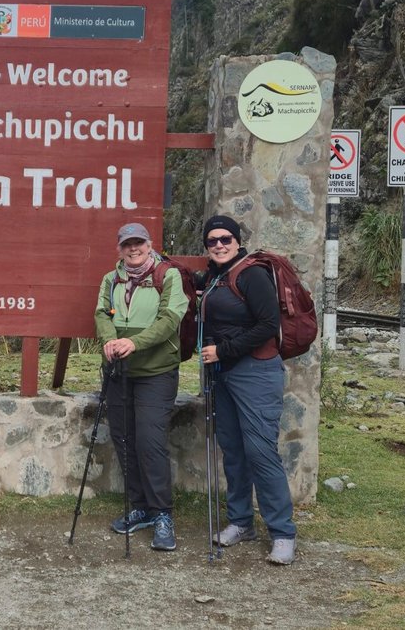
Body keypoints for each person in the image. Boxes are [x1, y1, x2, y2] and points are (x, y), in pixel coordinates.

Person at [197, 215, 298, 565]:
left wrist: (222, 350)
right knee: (234, 451)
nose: (220, 245)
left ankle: (282, 532)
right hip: (222, 375)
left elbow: (268, 325)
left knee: (260, 452)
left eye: (226, 239)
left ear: (238, 241)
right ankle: (241, 522)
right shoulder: (215, 276)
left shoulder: (252, 274)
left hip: (255, 371)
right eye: (212, 241)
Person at [94, 222, 188, 551]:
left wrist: (134, 343)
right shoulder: (111, 279)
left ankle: (162, 513)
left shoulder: (168, 276)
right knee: (124, 439)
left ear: (149, 245)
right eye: (126, 244)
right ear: (119, 248)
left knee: (149, 441)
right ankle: (141, 508)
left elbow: (169, 320)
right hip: (119, 371)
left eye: (139, 243)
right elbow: (103, 313)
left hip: (156, 371)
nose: (133, 249)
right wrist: (109, 341)